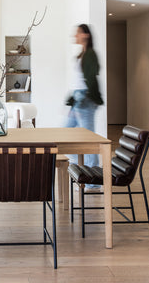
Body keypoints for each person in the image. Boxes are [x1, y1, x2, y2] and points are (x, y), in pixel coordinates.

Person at [65, 24, 104, 191]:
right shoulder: (82, 54)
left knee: (89, 142)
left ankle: (93, 181)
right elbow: (78, 81)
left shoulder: (91, 55)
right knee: (64, 134)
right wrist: (73, 100)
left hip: (85, 99)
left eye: (78, 32)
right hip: (78, 99)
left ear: (86, 35)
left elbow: (92, 79)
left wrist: (91, 98)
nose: (75, 34)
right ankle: (80, 168)